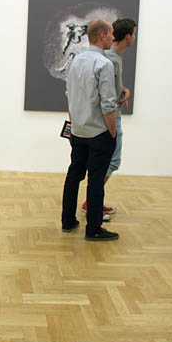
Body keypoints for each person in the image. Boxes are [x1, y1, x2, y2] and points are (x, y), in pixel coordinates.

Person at [61, 19, 119, 241]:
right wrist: (112, 133)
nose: (113, 37)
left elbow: (70, 96)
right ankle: (93, 229)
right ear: (102, 35)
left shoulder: (75, 62)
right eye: (111, 33)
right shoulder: (104, 64)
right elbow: (108, 104)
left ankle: (68, 220)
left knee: (74, 175)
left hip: (78, 132)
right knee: (95, 180)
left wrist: (75, 123)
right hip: (98, 133)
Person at [80, 17, 136, 220]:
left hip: (110, 118)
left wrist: (124, 90)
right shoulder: (109, 59)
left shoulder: (115, 58)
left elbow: (111, 88)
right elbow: (102, 94)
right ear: (128, 36)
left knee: (108, 162)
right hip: (109, 120)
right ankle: (91, 203)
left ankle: (94, 202)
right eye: (134, 34)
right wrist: (111, 127)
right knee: (112, 161)